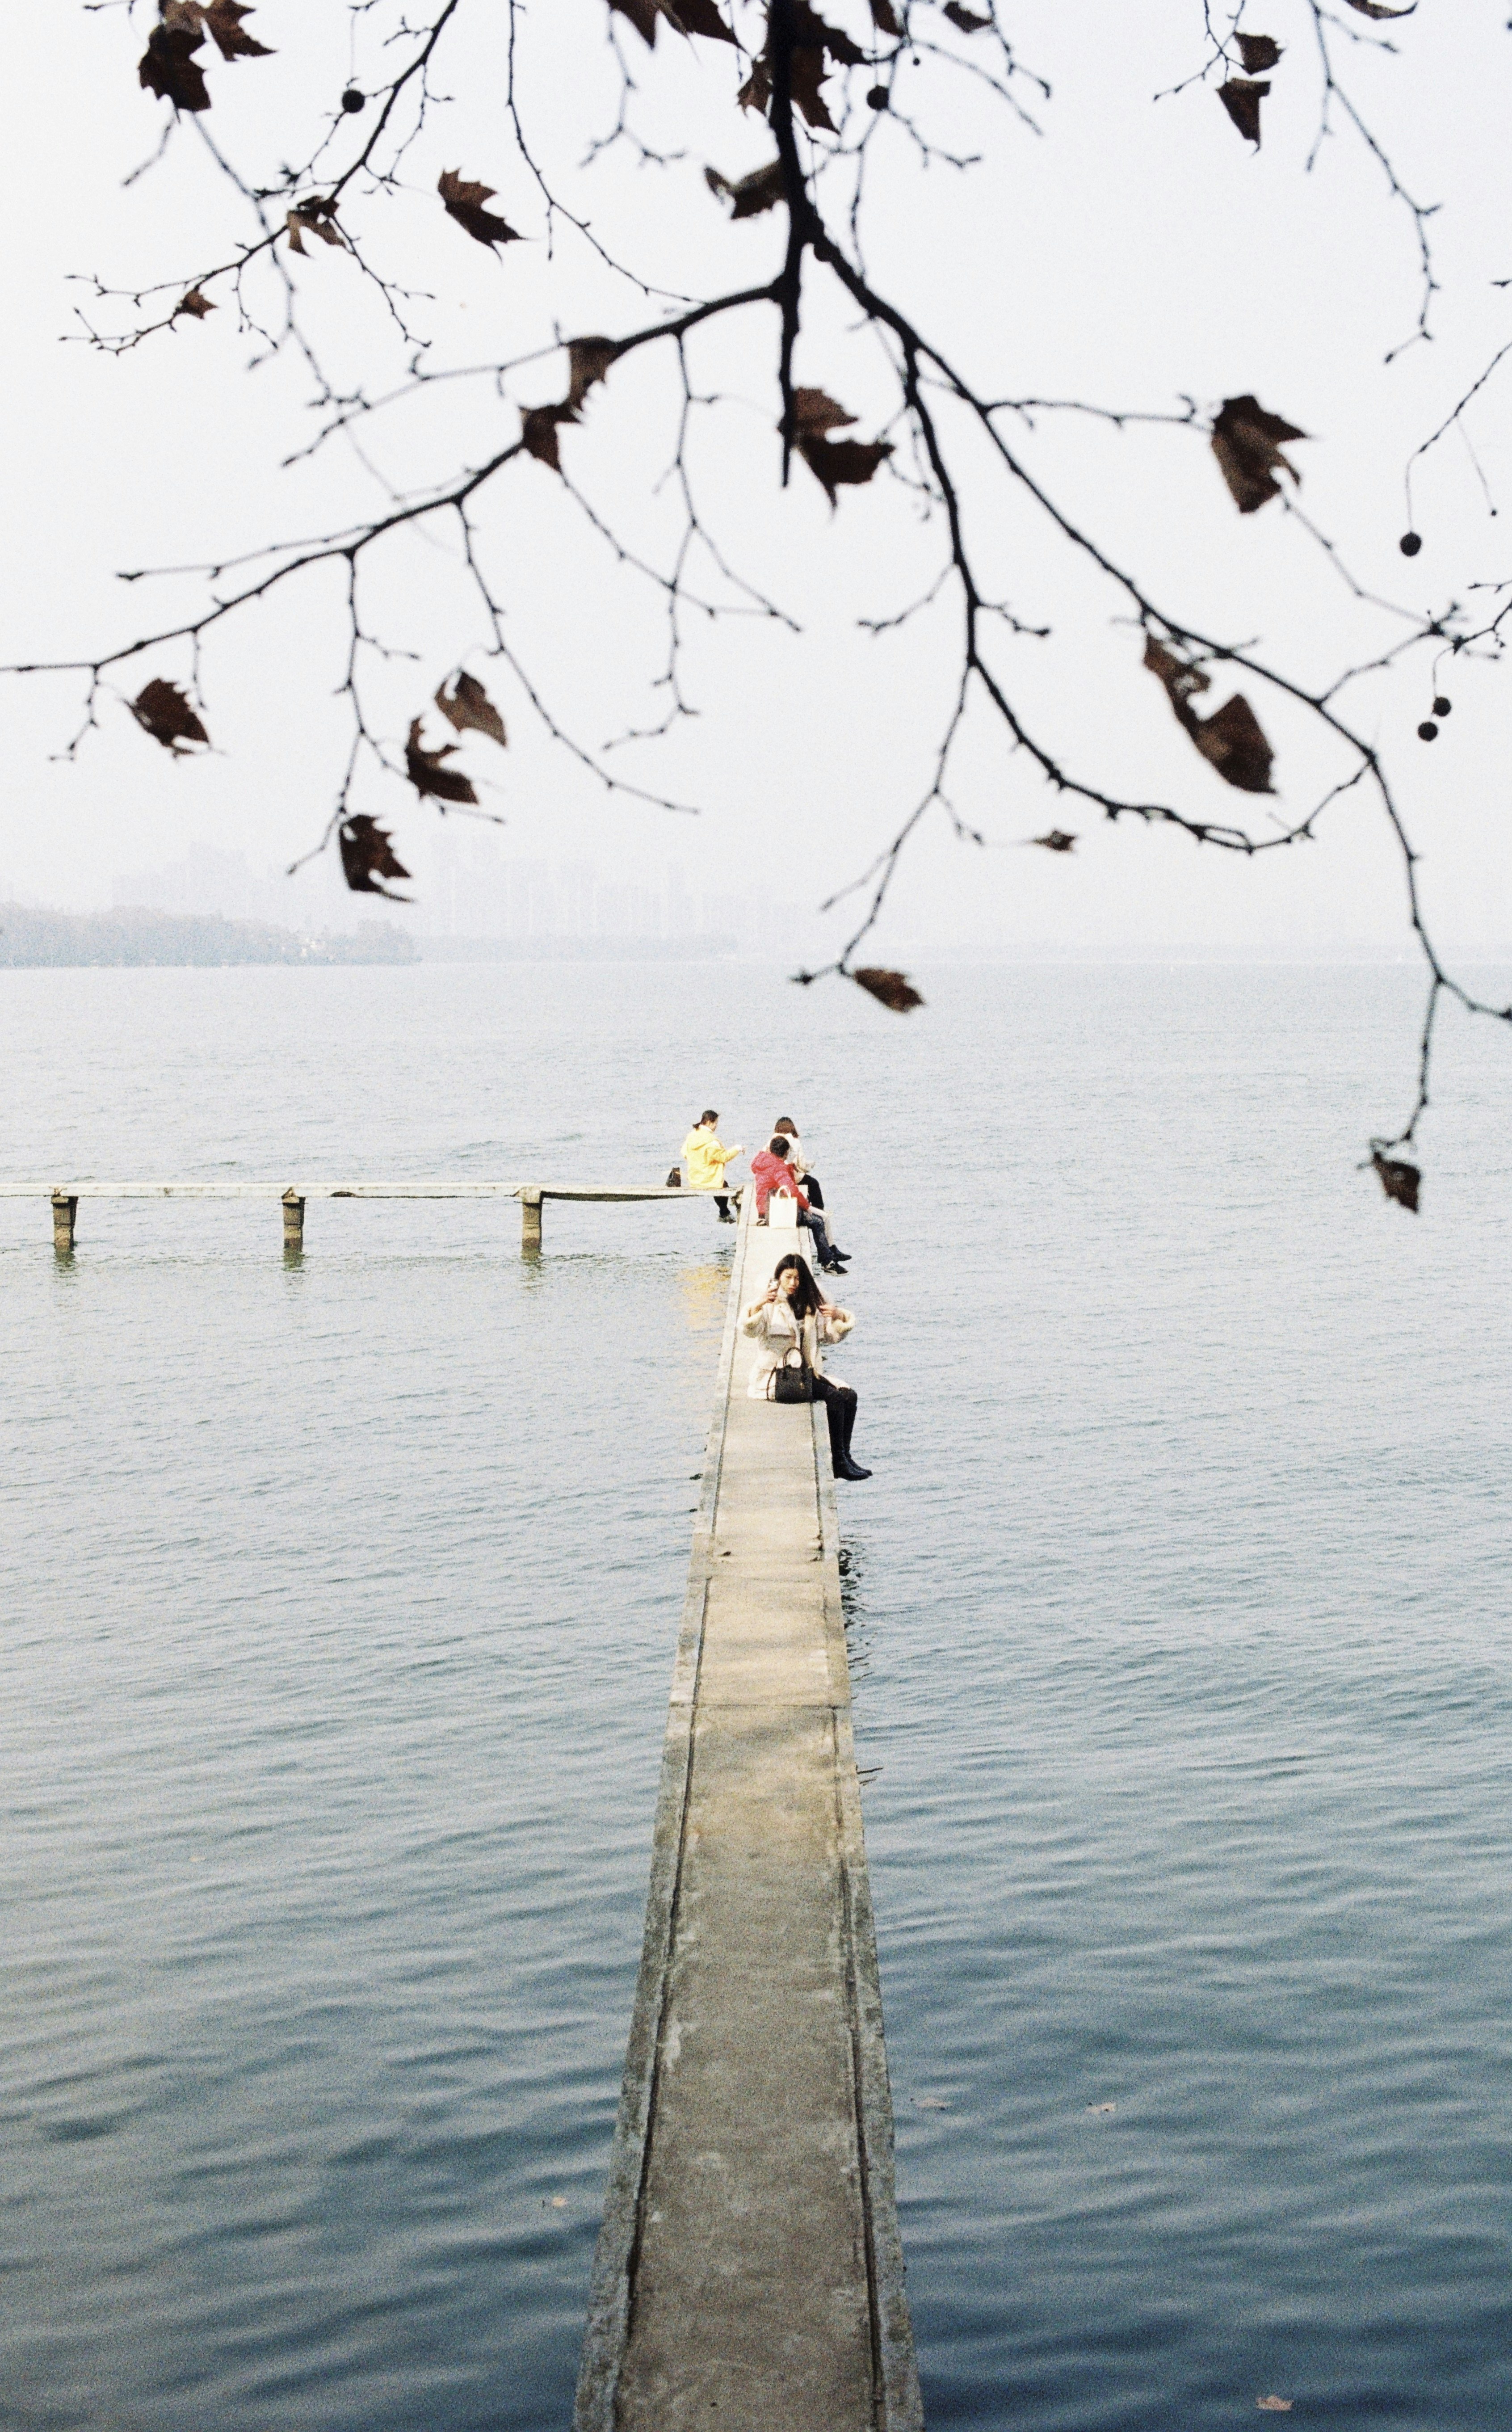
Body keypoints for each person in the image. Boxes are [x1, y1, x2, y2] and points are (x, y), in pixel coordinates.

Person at [742, 1253, 870, 1480]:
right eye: (788, 1277)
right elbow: (749, 1330)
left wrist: (839, 1316)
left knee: (849, 1396)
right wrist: (758, 1304)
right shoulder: (771, 1306)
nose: (793, 1283)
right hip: (775, 1377)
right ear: (779, 1278)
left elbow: (830, 1338)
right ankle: (838, 1461)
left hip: (804, 1375)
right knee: (833, 1396)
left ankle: (845, 1458)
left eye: (798, 1278)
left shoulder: (809, 1307)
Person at [749, 1135, 848, 1273]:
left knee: (816, 1220)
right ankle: (828, 1263)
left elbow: (773, 1178)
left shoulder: (762, 1160)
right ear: (785, 1153)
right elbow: (792, 1190)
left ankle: (829, 1259)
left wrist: (788, 1169)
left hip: (763, 1209)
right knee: (818, 1222)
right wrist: (806, 1206)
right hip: (776, 1212)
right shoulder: (778, 1167)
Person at [681, 1109, 743, 1221]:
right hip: (708, 1179)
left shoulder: (691, 1136)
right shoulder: (711, 1142)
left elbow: (684, 1153)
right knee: (723, 1186)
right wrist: (737, 1149)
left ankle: (724, 1213)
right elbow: (724, 1157)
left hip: (694, 1179)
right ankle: (724, 1213)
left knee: (724, 1185)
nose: (716, 1127)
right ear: (709, 1123)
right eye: (716, 1124)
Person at [772, 1117, 823, 1210]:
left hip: (774, 1177)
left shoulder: (773, 1141)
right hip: (791, 1176)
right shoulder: (795, 1141)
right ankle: (819, 1211)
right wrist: (811, 1166)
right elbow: (802, 1165)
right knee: (814, 1184)